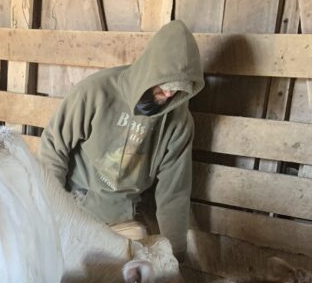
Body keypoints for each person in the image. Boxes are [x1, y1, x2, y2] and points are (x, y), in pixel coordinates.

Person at [39, 19, 204, 260]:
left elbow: (174, 193)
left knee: (140, 276)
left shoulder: (179, 124)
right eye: (165, 84)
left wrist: (176, 256)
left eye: (177, 89)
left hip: (123, 220)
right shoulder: (96, 92)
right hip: (76, 208)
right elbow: (54, 147)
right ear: (151, 70)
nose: (169, 93)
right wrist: (51, 212)